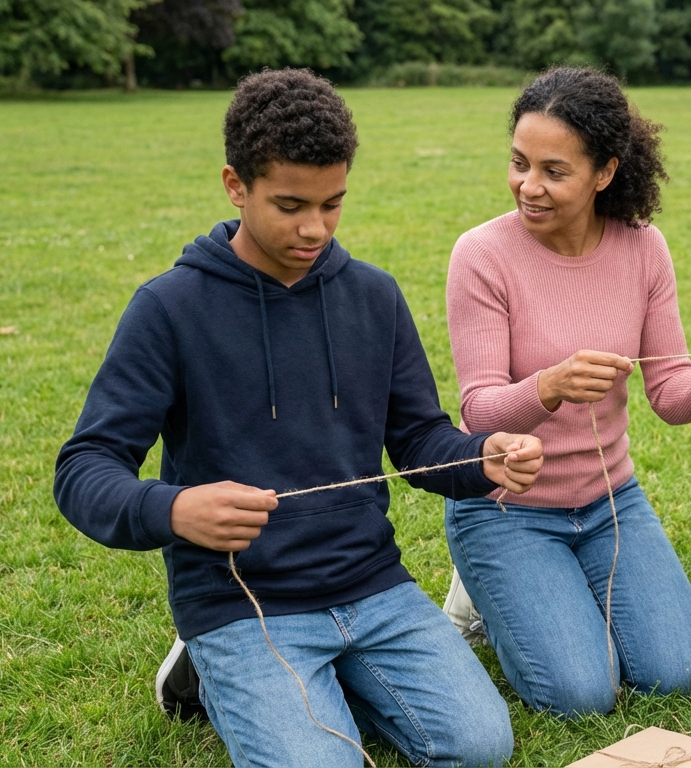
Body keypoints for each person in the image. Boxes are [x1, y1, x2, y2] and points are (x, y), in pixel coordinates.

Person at [53, 68, 543, 767]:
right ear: (235, 185)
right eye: (290, 205)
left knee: (479, 746)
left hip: (371, 584)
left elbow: (417, 439)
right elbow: (83, 469)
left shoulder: (373, 296)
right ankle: (208, 668)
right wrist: (175, 509)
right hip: (241, 600)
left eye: (332, 203)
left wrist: (481, 457)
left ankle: (326, 678)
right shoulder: (169, 309)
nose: (314, 227)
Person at [442, 66, 691, 718]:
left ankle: (557, 597)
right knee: (583, 695)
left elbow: (670, 395)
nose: (529, 185)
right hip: (507, 510)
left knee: (677, 673)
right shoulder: (481, 255)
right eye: (519, 163)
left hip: (611, 505)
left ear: (604, 172)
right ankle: (488, 593)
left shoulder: (643, 249)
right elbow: (477, 413)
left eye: (554, 171)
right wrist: (549, 387)